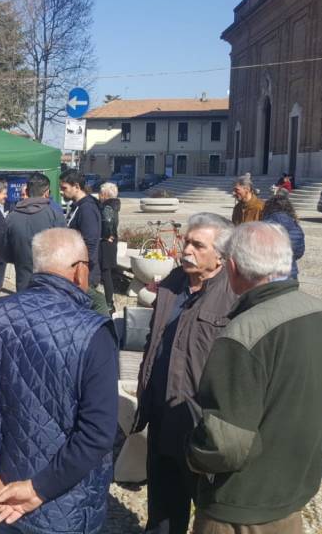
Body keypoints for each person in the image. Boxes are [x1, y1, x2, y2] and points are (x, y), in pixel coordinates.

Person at [187, 222, 322, 534]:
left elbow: (226, 447)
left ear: (233, 267)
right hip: (292, 492)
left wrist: (193, 454)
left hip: (237, 506)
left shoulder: (241, 334)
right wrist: (305, 406)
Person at [0, 228, 118, 534]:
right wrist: (38, 488)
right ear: (80, 271)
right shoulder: (93, 331)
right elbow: (98, 432)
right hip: (61, 507)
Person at [132, 213, 237, 534]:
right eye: (186, 242)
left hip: (202, 422)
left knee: (209, 511)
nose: (186, 250)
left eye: (197, 245)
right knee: (163, 507)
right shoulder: (174, 282)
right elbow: (155, 340)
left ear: (221, 254)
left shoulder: (234, 294)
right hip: (163, 413)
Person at [6, 172, 64, 292]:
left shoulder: (12, 217)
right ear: (47, 192)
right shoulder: (54, 214)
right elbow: (64, 246)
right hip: (50, 280)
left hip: (23, 278)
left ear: (27, 191)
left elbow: (5, 248)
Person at [60, 170, 102, 286]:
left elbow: (90, 244)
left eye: (64, 188)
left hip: (84, 275)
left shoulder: (87, 209)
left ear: (76, 186)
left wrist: (80, 269)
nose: (61, 192)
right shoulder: (77, 206)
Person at [261, 190, 305, 279]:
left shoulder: (264, 225)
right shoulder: (296, 226)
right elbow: (299, 252)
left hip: (268, 273)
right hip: (290, 272)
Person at [98, 182, 121, 314]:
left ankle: (109, 303)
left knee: (106, 275)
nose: (99, 196)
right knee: (107, 275)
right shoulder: (114, 205)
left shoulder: (107, 207)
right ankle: (109, 302)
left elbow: (107, 222)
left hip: (106, 244)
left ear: (106, 194)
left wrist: (107, 235)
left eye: (101, 193)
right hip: (111, 245)